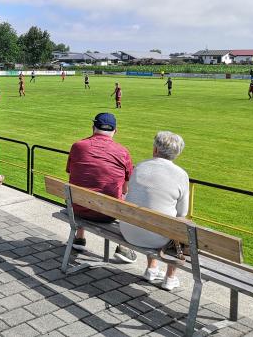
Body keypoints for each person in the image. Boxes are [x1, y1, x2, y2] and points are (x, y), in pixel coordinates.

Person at [120, 131, 189, 291]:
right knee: (182, 226)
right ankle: (170, 278)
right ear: (176, 154)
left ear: (155, 150)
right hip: (155, 238)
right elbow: (182, 214)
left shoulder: (140, 166)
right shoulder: (181, 175)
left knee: (150, 214)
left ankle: (152, 269)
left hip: (128, 230)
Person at [66, 113, 137, 263]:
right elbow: (125, 189)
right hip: (107, 213)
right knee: (128, 198)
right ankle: (123, 246)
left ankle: (79, 238)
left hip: (77, 208)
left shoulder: (77, 146)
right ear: (115, 131)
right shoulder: (122, 152)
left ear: (93, 128)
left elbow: (73, 175)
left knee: (84, 185)